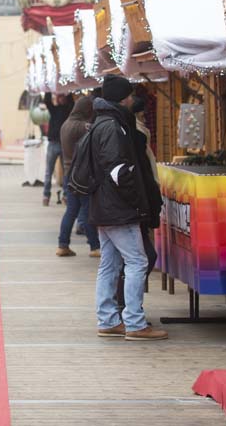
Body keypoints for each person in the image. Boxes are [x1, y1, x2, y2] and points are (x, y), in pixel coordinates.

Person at [88, 74, 168, 341]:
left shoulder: (101, 122)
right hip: (119, 208)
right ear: (123, 98)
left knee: (109, 264)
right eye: (130, 95)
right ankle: (134, 322)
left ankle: (108, 319)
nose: (134, 99)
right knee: (136, 261)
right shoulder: (114, 126)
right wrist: (136, 202)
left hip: (104, 205)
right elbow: (119, 171)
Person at [117, 95, 163, 305]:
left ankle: (116, 313)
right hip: (127, 209)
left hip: (122, 208)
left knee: (115, 263)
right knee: (140, 259)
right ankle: (129, 314)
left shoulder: (126, 132)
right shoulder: (129, 135)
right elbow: (137, 176)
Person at [56, 96, 100, 257]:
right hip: (82, 175)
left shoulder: (65, 125)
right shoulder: (83, 126)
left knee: (71, 211)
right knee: (88, 211)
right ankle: (95, 246)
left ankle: (63, 244)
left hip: (69, 174)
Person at [42, 92, 74, 206]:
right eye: (59, 97)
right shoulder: (54, 110)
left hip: (64, 143)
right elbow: (47, 101)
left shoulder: (69, 110)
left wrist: (68, 89)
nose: (61, 99)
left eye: (63, 96)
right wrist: (48, 89)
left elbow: (71, 101)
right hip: (53, 143)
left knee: (66, 171)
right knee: (49, 171)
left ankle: (65, 195)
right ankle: (46, 195)